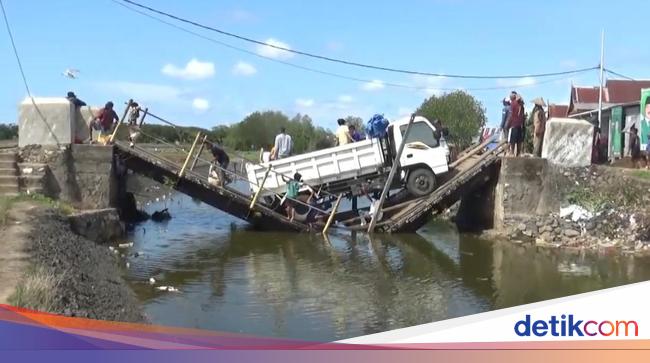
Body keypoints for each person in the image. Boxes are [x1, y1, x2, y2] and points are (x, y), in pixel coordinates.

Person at [506, 92, 523, 156]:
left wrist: (508, 124)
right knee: (519, 140)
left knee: (512, 140)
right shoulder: (520, 105)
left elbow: (511, 115)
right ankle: (518, 153)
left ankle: (512, 152)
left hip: (514, 124)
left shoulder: (513, 104)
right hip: (519, 125)